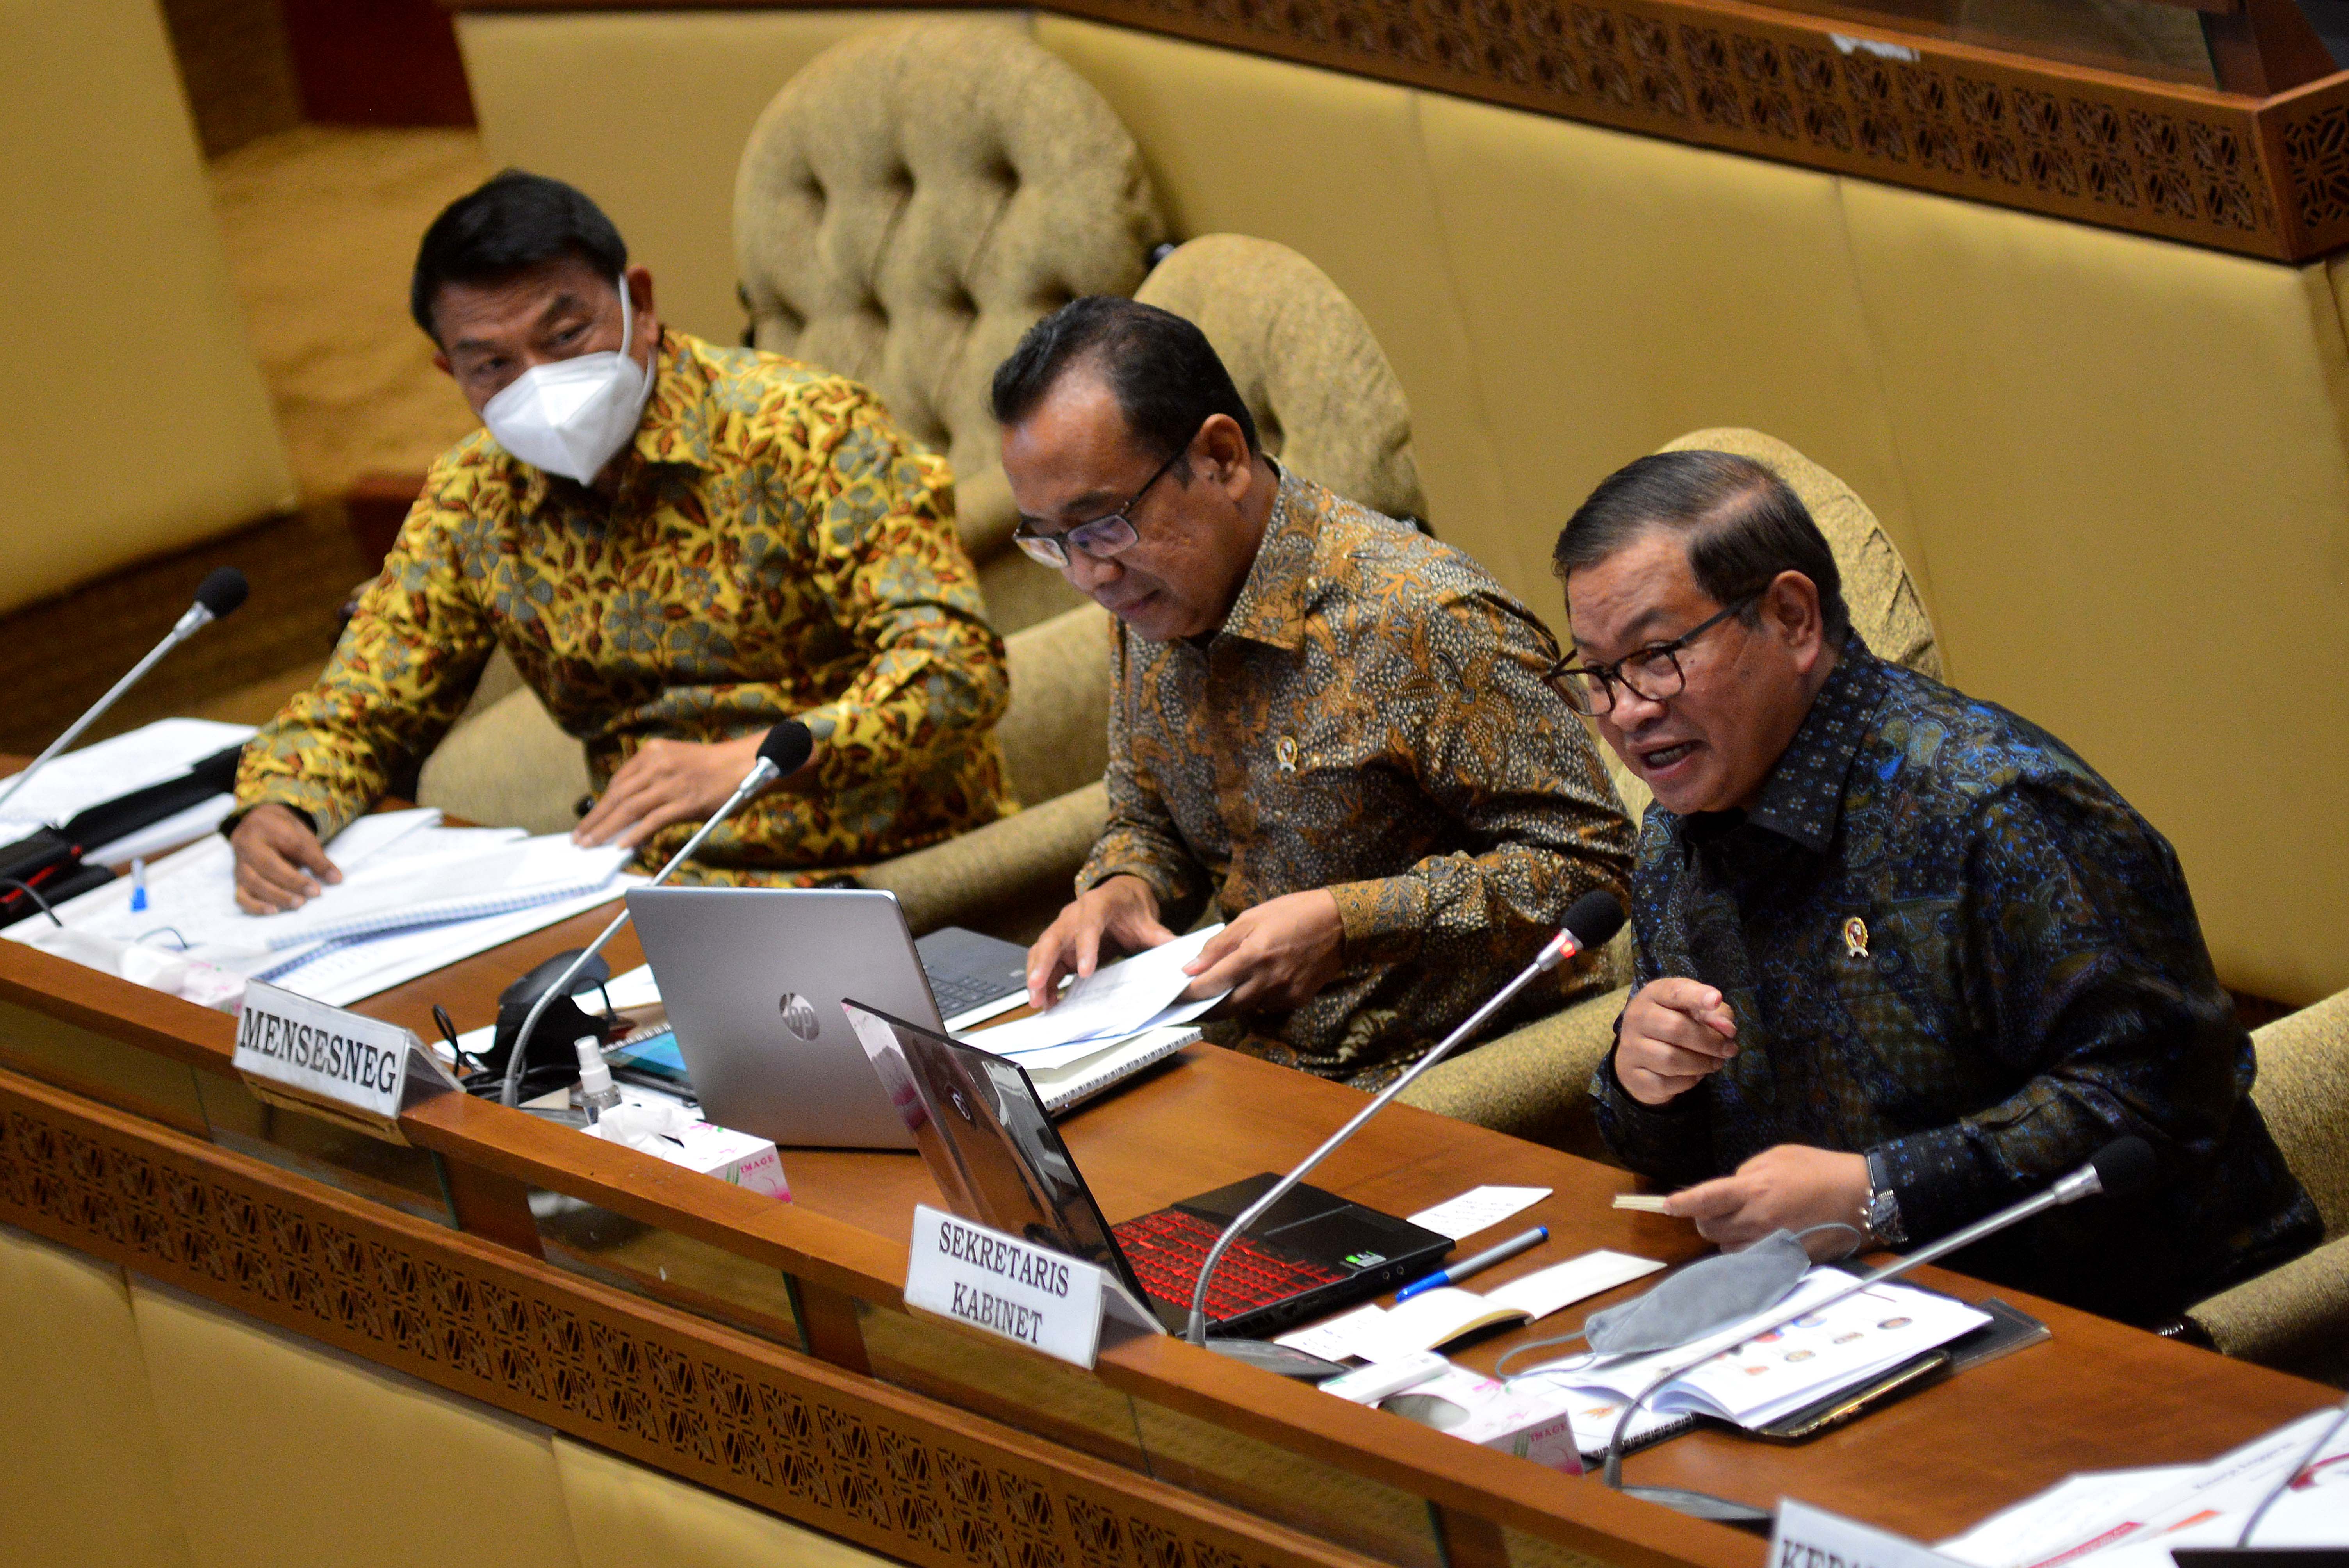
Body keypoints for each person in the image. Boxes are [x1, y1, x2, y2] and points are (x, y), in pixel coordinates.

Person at [1555, 449, 2317, 1324]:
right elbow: (1683, 1157)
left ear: (1792, 619)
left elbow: (2160, 1097)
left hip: (2135, 1329)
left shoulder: (1994, 809)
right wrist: (1642, 1081)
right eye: (1597, 673)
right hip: (1841, 1321)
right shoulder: (1676, 838)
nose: (1625, 710)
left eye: (1656, 656)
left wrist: (1878, 1191)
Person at [228, 172, 1011, 911]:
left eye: (567, 336)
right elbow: (362, 703)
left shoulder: (807, 429)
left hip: (891, 870)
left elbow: (954, 669)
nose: (537, 380)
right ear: (449, 370)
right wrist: (280, 804)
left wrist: (757, 759)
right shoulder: (473, 498)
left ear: (639, 301)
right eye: (492, 365)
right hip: (642, 889)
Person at [998, 297, 1634, 1090]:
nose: (1089, 574)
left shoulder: (1420, 617)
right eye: (1050, 542)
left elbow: (1595, 868)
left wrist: (1348, 924)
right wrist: (1124, 885)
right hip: (1235, 1063)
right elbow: (1145, 816)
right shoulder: (1149, 597)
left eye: (1099, 526)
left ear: (1222, 458)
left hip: (1427, 1079)